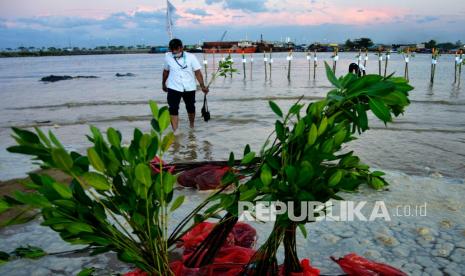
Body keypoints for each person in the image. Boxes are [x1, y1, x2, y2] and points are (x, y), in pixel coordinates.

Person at [162, 38, 209, 131]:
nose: (174, 51)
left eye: (176, 49)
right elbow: (165, 71)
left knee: (190, 107)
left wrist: (203, 86)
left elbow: (197, 72)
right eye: (172, 50)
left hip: (189, 86)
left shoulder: (191, 57)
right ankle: (175, 131)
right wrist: (163, 83)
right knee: (173, 108)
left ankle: (191, 125)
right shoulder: (168, 57)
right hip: (173, 86)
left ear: (181, 48)